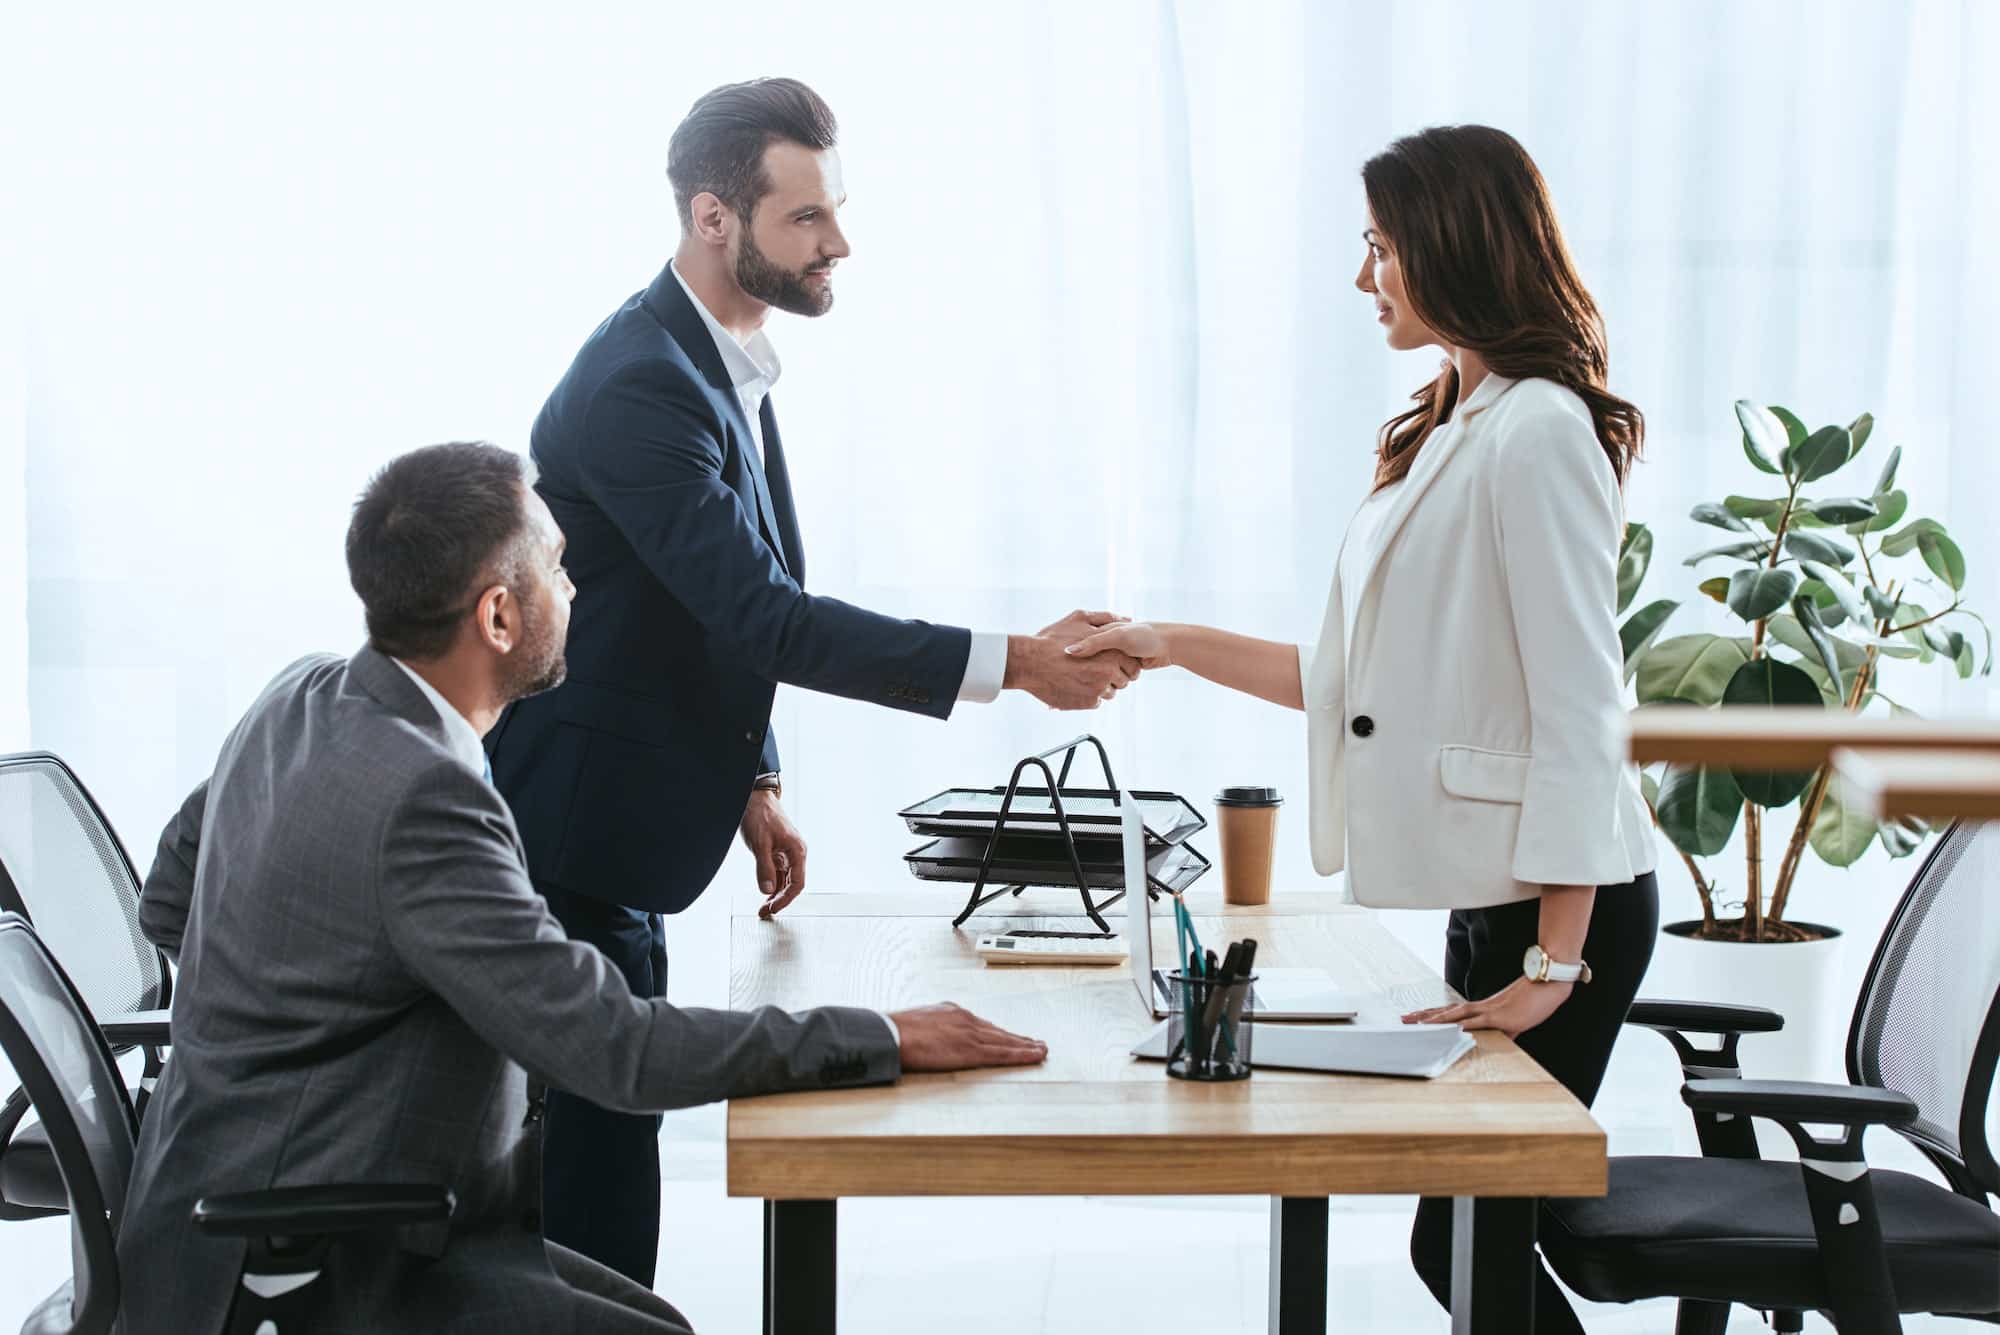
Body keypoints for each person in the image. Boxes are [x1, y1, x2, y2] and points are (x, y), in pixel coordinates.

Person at [116, 442, 1046, 1335]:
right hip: (314, 1266)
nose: (576, 589)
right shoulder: (426, 798)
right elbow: (616, 1050)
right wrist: (884, 1033)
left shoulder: (298, 693)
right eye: (561, 568)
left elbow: (169, 901)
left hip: (209, 1218)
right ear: (497, 618)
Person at [485, 76, 1136, 1285]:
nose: (839, 242)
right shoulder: (641, 382)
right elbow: (764, 615)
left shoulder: (714, 353)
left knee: (610, 1152)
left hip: (623, 814)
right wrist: (1017, 667)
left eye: (836, 210)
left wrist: (754, 777)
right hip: (573, 834)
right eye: (807, 219)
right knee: (593, 1166)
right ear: (712, 216)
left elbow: (697, 604)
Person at [1067, 126, 1659, 1333]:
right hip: (1500, 897)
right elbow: (1356, 687)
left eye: (1378, 248)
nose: (1361, 278)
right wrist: (1162, 640)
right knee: (1464, 1241)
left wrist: (1554, 961)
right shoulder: (1460, 420)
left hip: (1562, 910)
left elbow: (1583, 700)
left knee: (1465, 1244)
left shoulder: (1538, 429)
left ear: (1448, 247)